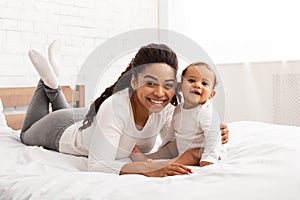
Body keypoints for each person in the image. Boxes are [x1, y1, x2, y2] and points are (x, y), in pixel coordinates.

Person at [21, 42, 228, 177]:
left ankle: (53, 82)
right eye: (150, 83)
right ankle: (49, 82)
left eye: (167, 85)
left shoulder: (165, 108)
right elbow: (98, 165)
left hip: (89, 120)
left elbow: (174, 143)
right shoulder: (115, 106)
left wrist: (210, 135)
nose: (159, 93)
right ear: (135, 80)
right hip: (60, 131)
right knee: (25, 134)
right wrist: (149, 169)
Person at [130, 62, 227, 167]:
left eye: (204, 84)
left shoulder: (206, 112)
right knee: (171, 147)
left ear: (211, 95)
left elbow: (213, 136)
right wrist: (165, 146)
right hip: (183, 148)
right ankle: (149, 157)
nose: (197, 85)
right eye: (191, 80)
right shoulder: (178, 110)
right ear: (180, 87)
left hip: (204, 150)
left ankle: (166, 164)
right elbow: (172, 132)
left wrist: (209, 158)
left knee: (192, 154)